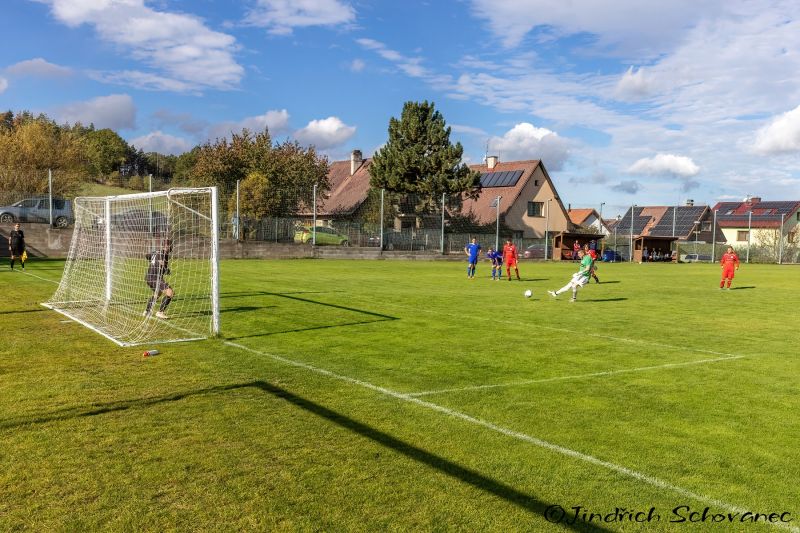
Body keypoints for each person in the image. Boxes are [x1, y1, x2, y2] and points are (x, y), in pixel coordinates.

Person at [144, 238, 174, 318]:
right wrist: (166, 269)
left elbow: (147, 255)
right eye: (170, 246)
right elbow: (163, 267)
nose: (171, 247)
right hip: (155, 278)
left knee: (158, 294)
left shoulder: (157, 252)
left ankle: (147, 311)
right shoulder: (163, 254)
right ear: (167, 246)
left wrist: (153, 260)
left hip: (149, 277)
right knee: (170, 292)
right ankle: (160, 312)